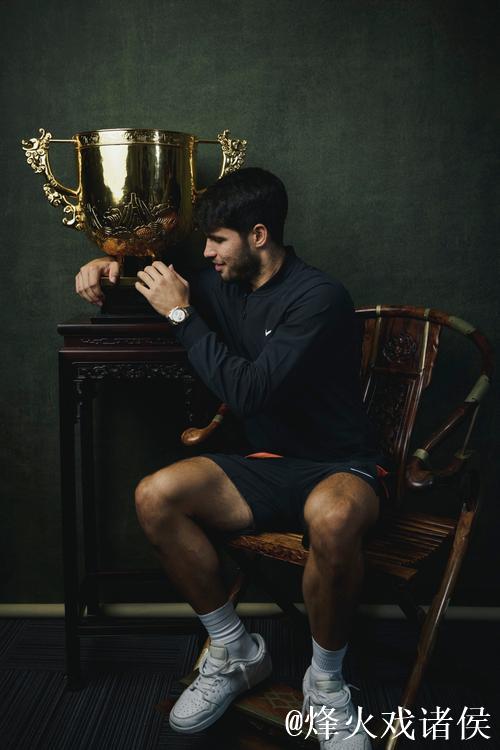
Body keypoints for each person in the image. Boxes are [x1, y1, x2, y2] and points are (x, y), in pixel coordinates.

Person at [75, 168, 389, 749]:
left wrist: (181, 316)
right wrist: (108, 268)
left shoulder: (319, 297)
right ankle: (235, 650)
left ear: (259, 236)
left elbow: (248, 392)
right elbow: (158, 277)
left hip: (338, 466)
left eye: (218, 240)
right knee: (155, 496)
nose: (206, 253)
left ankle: (326, 686)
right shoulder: (221, 280)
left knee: (334, 517)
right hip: (263, 466)